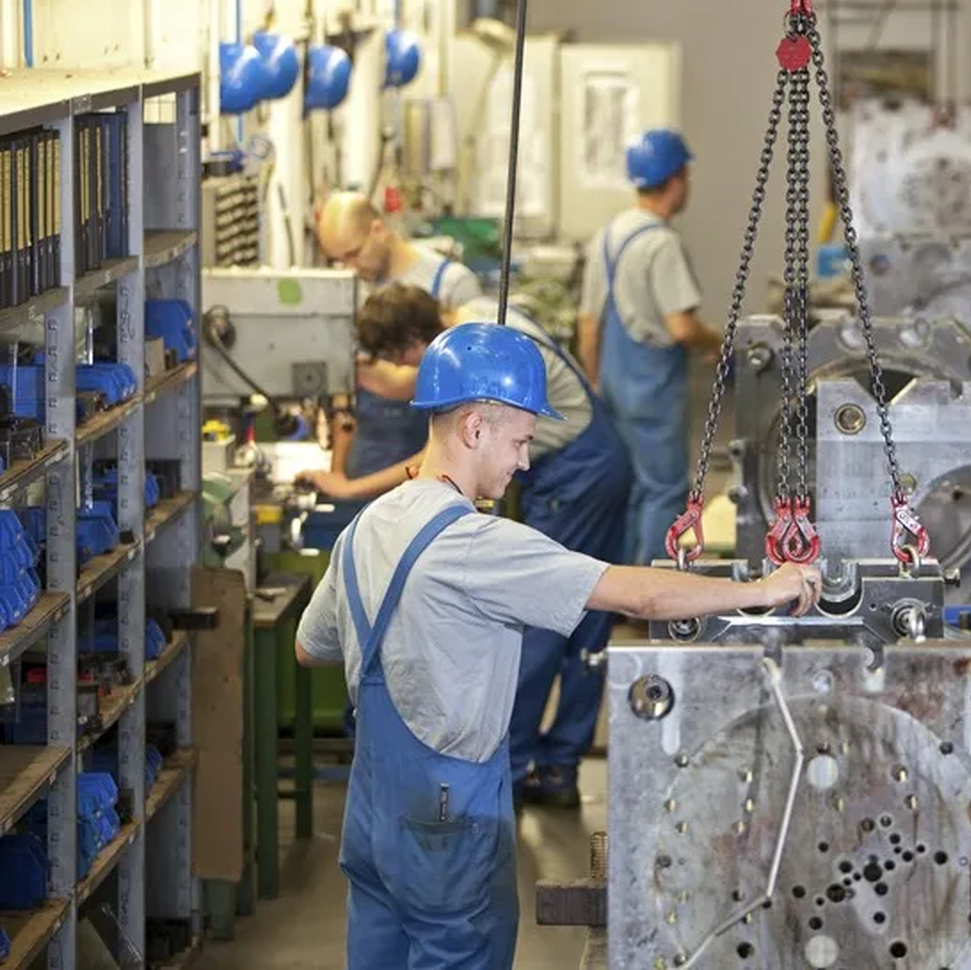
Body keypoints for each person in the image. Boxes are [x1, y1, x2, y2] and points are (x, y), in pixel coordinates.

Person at [293, 321, 823, 969]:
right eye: (520, 441)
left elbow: (310, 647)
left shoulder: (369, 525)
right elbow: (639, 597)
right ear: (474, 430)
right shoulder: (476, 547)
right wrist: (763, 590)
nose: (523, 462)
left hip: (374, 813)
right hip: (447, 821)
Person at [300, 284, 632, 807]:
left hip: (582, 473)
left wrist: (349, 489)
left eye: (406, 361)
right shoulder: (472, 331)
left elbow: (439, 449)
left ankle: (525, 764)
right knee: (568, 619)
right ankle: (552, 763)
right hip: (574, 468)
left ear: (419, 341)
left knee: (550, 619)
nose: (408, 372)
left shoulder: (486, 350)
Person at [575, 129, 723, 564]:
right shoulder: (661, 243)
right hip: (651, 384)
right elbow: (680, 327)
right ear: (677, 179)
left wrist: (595, 379)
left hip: (614, 381)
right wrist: (716, 340)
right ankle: (650, 595)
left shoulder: (607, 235)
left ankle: (619, 585)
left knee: (633, 485)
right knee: (664, 488)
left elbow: (589, 321)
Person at [314, 191, 486, 485]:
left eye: (353, 254)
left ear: (378, 230)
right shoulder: (351, 291)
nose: (349, 268)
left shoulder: (451, 285)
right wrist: (338, 472)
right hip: (369, 454)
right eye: (338, 261)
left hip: (433, 459)